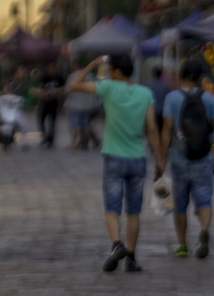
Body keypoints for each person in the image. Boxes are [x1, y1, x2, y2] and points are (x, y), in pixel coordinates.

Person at [69, 53, 163, 273]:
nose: (110, 73)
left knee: (112, 207)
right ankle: (130, 257)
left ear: (118, 72)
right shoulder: (145, 93)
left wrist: (92, 63)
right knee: (133, 211)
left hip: (113, 157)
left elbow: (75, 84)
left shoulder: (108, 87)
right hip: (137, 158)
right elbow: (151, 128)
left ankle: (116, 244)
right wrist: (159, 158)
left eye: (112, 70)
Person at [160, 59, 214, 259]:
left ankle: (182, 245)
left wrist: (162, 158)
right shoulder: (210, 98)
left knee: (180, 204)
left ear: (181, 75)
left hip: (179, 158)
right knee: (204, 199)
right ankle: (204, 229)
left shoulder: (172, 98)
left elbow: (167, 129)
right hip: (204, 157)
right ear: (200, 78)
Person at [64, 59, 99, 151]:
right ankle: (86, 144)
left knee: (74, 126)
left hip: (75, 105)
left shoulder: (73, 76)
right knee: (86, 125)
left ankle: (73, 145)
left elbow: (68, 90)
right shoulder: (91, 76)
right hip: (88, 105)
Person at [33, 65, 65, 148]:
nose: (51, 70)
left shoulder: (59, 78)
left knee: (52, 122)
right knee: (41, 119)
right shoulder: (45, 78)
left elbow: (63, 90)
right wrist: (43, 94)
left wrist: (57, 94)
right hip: (45, 103)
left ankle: (51, 139)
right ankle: (44, 136)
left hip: (54, 103)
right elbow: (40, 88)